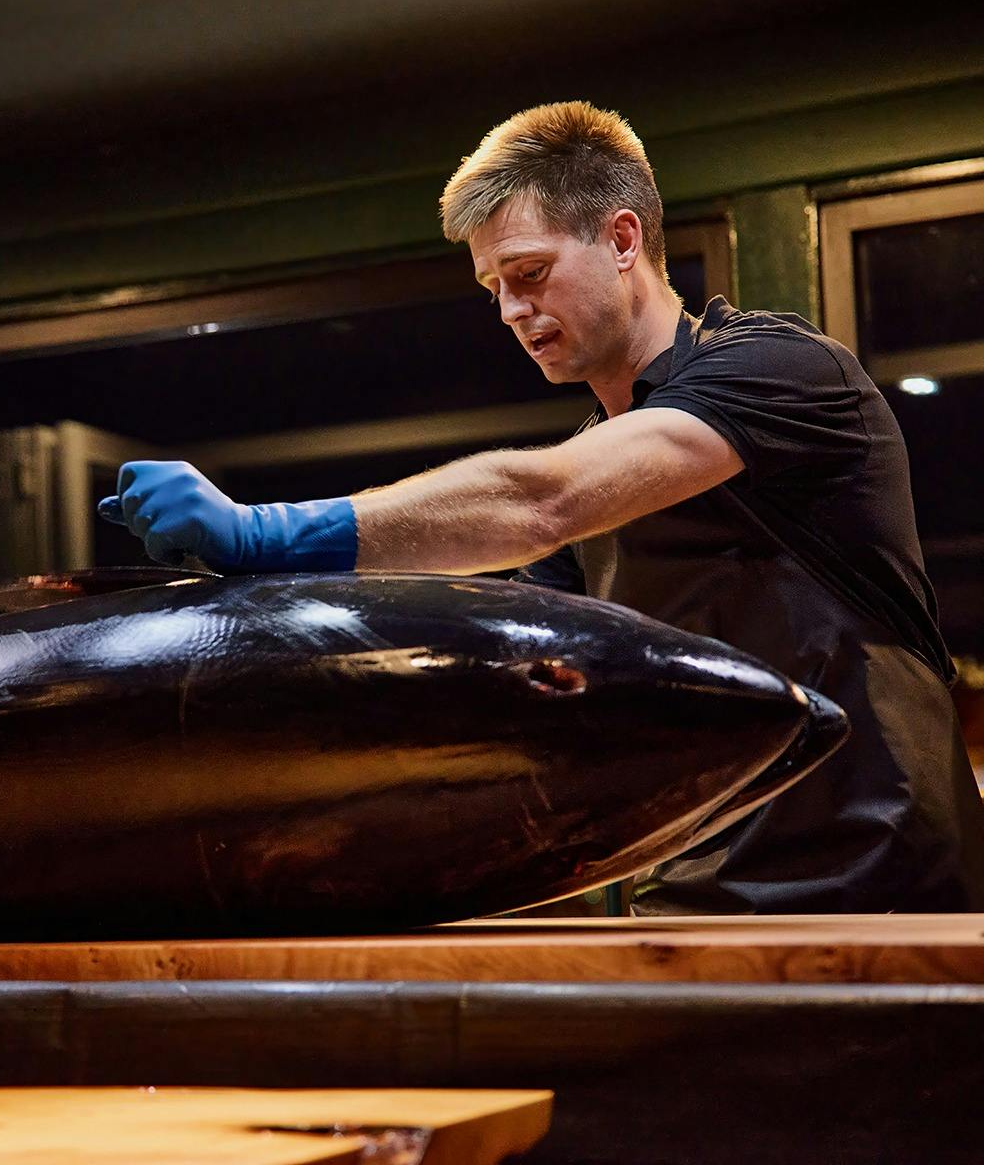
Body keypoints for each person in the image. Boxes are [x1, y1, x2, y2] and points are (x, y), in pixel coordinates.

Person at [99, 100, 984, 915]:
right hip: (699, 893)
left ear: (624, 238)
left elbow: (542, 499)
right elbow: (544, 679)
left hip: (884, 883)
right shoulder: (601, 448)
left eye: (529, 272)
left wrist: (264, 533)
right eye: (494, 289)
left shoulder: (781, 370)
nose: (513, 311)